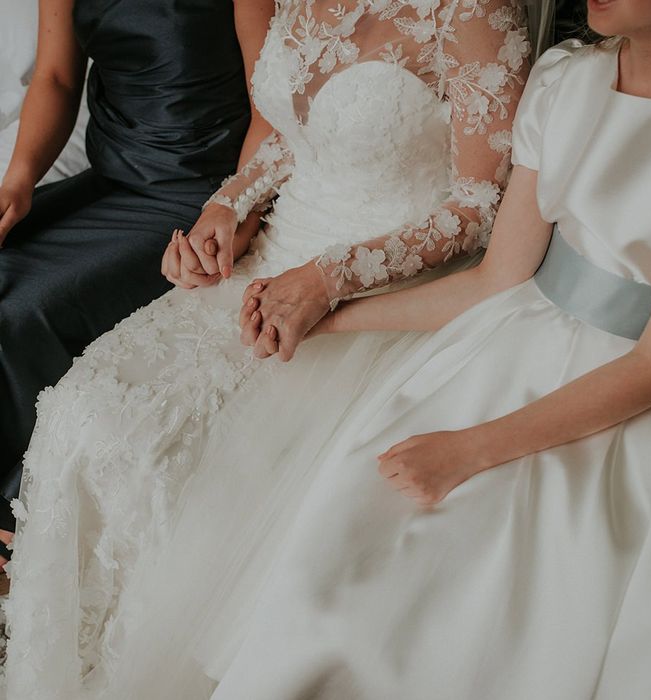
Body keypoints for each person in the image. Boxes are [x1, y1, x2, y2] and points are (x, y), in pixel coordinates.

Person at [41, 0, 651, 696]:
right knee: (330, 557)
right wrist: (331, 318)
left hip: (625, 399)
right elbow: (497, 281)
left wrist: (469, 448)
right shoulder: (568, 78)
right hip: (504, 338)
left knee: (445, 619)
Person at [3, 1, 534, 697]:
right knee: (83, 412)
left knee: (176, 469)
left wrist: (333, 278)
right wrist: (224, 210)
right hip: (271, 256)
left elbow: (479, 208)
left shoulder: (476, 14)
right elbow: (291, 136)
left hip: (376, 283)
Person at [0, 0, 275, 563]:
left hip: (195, 194)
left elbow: (270, 102)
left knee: (28, 308)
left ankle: (16, 522)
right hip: (111, 178)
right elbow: (54, 76)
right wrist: (19, 181)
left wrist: (232, 203)